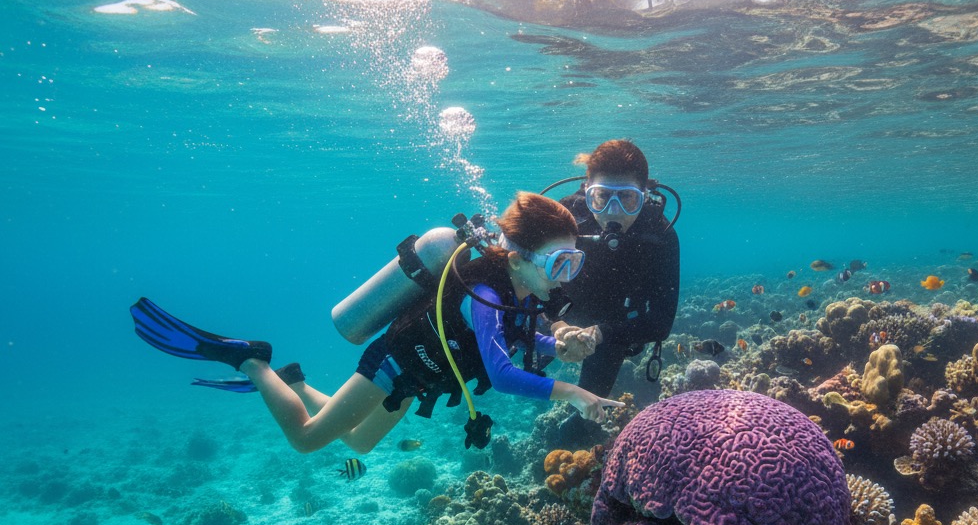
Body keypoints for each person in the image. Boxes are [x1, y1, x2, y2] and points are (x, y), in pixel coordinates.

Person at [130, 193, 622, 455]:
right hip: (394, 366)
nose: (564, 279)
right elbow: (501, 373)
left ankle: (296, 381)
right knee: (306, 440)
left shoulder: (513, 292)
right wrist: (575, 393)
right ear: (516, 257)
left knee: (360, 441)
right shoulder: (490, 294)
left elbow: (511, 339)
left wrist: (560, 345)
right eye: (557, 264)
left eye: (573, 264)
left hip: (421, 376)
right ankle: (254, 360)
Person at [551, 139, 680, 447]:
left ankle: (580, 426)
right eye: (601, 197)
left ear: (645, 195)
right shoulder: (564, 218)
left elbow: (661, 322)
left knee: (585, 420)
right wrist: (556, 326)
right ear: (586, 190)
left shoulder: (659, 236)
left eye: (627, 199)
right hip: (559, 309)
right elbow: (526, 283)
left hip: (611, 326)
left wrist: (599, 334)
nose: (613, 211)